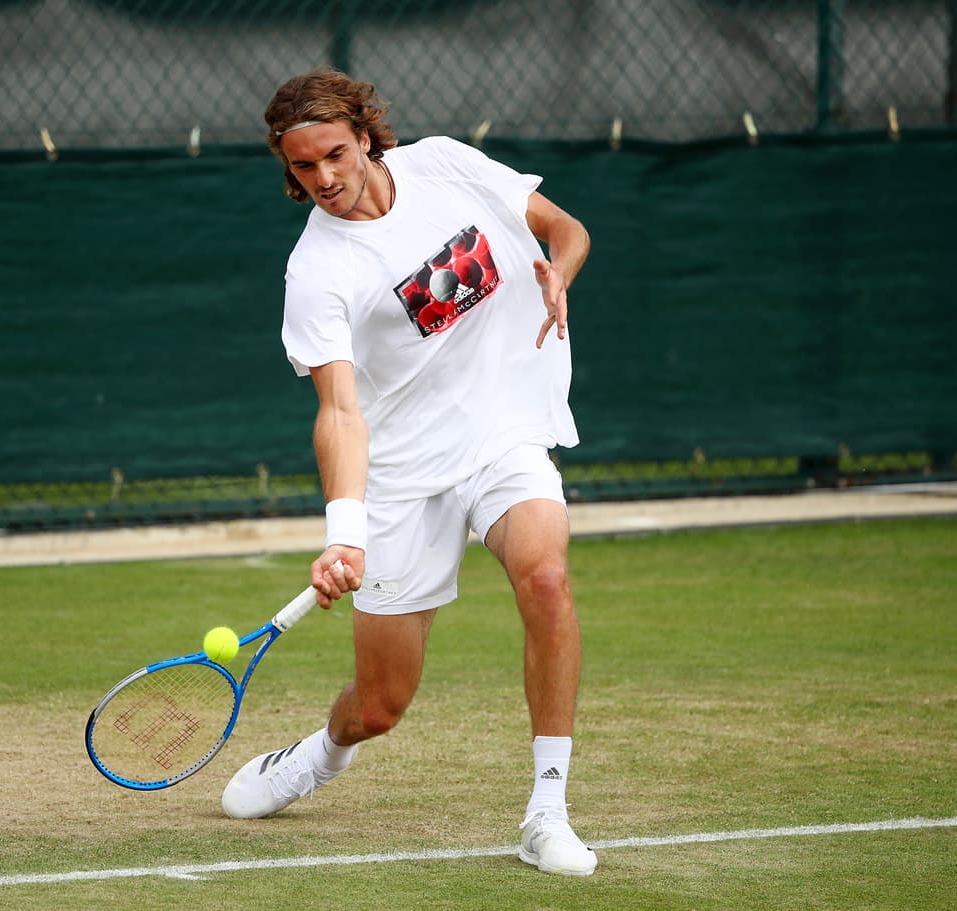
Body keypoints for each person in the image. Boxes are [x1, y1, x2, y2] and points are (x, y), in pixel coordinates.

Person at [220, 68, 596, 877]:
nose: (323, 178)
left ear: (366, 135)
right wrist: (344, 533)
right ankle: (321, 754)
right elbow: (340, 413)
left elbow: (564, 229)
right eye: (302, 168)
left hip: (501, 434)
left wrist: (558, 270)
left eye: (333, 155)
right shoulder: (316, 271)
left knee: (547, 579)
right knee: (381, 706)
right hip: (401, 476)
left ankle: (547, 808)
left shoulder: (448, 166)